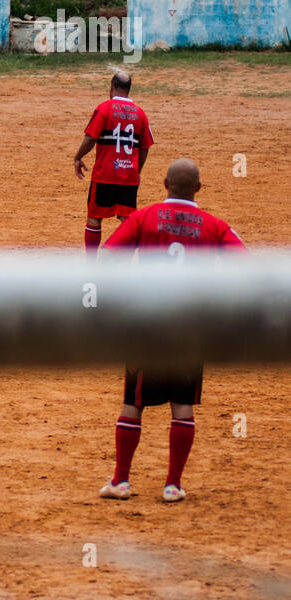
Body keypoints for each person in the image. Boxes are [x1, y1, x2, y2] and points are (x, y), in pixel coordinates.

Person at [98, 158, 247, 504]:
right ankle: (172, 485)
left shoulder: (143, 216)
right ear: (198, 188)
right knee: (181, 404)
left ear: (164, 184)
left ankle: (121, 480)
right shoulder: (215, 225)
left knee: (132, 403)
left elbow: (108, 258)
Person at [75, 70, 153, 258]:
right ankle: (123, 264)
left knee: (94, 217)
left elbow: (91, 138)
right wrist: (137, 171)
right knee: (127, 221)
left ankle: (91, 262)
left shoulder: (104, 109)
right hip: (128, 176)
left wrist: (77, 157)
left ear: (111, 88)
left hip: (105, 174)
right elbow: (145, 148)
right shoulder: (141, 114)